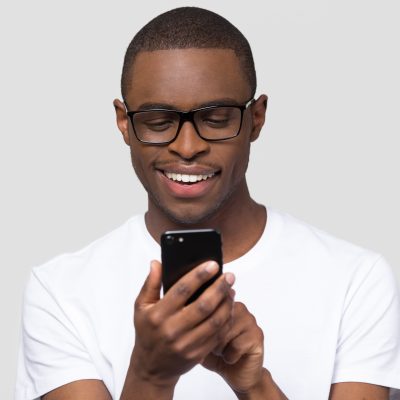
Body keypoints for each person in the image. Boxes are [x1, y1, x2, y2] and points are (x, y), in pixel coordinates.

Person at [16, 7, 400, 400]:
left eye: (216, 119)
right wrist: (150, 375)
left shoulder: (356, 281)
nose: (187, 147)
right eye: (158, 120)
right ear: (124, 124)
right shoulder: (60, 291)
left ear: (257, 118)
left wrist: (254, 384)